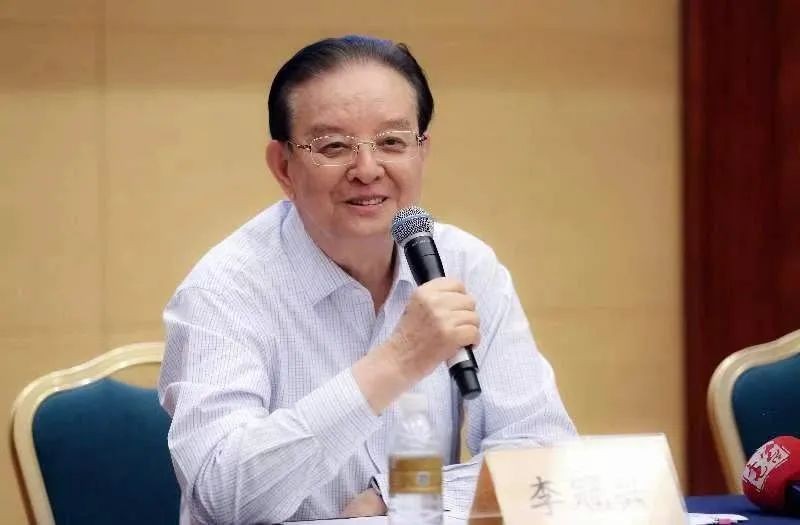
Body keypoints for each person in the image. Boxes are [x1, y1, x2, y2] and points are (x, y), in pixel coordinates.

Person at [158, 35, 576, 525]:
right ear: (283, 167)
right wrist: (400, 359)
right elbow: (222, 496)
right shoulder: (225, 289)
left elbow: (539, 451)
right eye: (334, 146)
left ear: (422, 152)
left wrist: (401, 497)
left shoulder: (465, 264)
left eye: (392, 142)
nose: (367, 169)